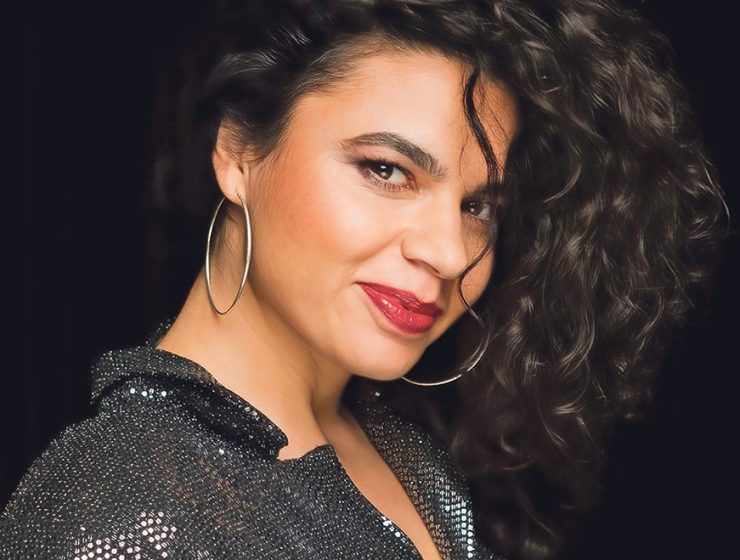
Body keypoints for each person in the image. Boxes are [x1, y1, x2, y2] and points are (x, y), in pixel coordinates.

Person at [1, 1, 730, 559]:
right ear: (238, 153)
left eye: (478, 207)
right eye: (387, 170)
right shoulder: (116, 512)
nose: (450, 251)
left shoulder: (403, 453)